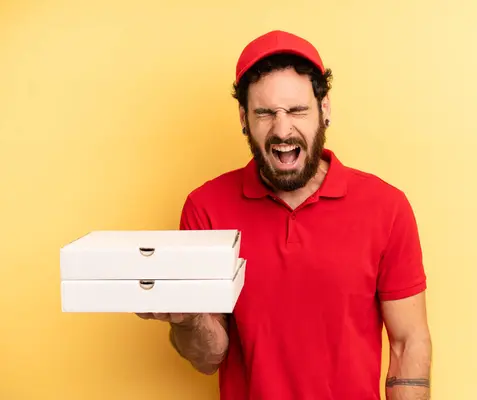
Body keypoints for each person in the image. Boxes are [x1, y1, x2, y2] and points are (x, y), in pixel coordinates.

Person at [137, 30, 432, 400]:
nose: (282, 129)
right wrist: (187, 317)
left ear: (324, 111)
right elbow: (208, 357)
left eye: (296, 110)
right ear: (244, 118)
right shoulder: (206, 208)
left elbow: (408, 343)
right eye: (265, 113)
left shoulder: (386, 207)